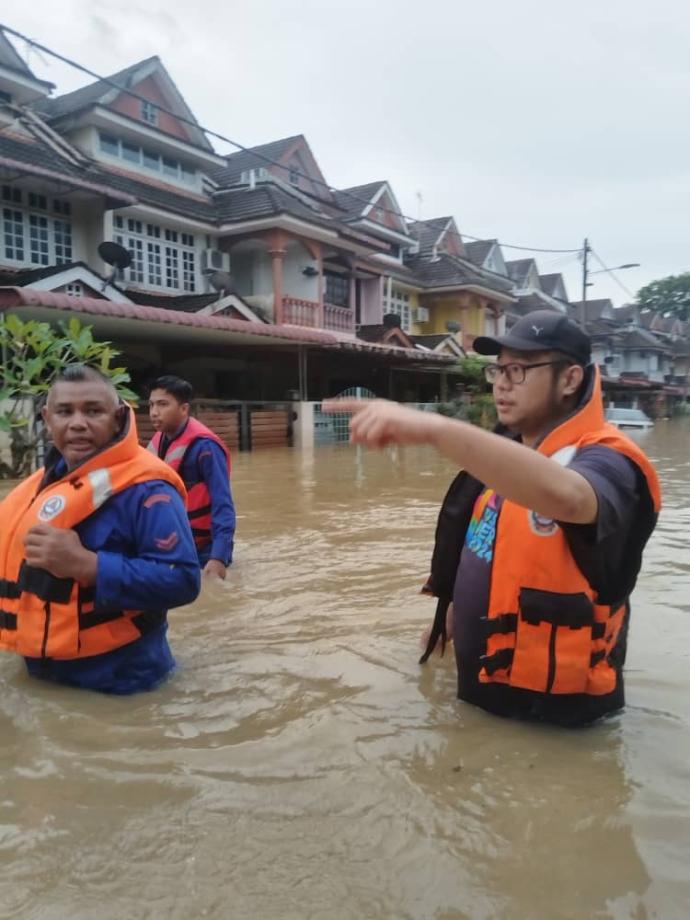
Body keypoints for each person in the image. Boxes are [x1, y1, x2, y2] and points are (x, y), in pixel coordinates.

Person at [324, 311, 661, 726]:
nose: (501, 382)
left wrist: (437, 430)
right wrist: (450, 612)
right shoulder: (509, 452)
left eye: (518, 369)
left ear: (570, 380)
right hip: (484, 707)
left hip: (554, 730)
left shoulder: (611, 461)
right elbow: (488, 545)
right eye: (498, 369)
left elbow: (571, 498)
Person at [0, 365, 200, 694]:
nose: (78, 423)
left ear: (118, 418)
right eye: (65, 412)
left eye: (93, 411)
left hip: (122, 682)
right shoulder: (39, 486)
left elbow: (183, 579)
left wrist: (87, 566)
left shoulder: (149, 489)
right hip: (42, 674)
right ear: (47, 419)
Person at [147, 375, 235, 579]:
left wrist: (218, 557)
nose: (154, 412)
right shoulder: (159, 441)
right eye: (151, 405)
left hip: (205, 548)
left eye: (162, 405)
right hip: (174, 542)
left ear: (184, 409)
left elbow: (223, 504)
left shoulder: (206, 448)